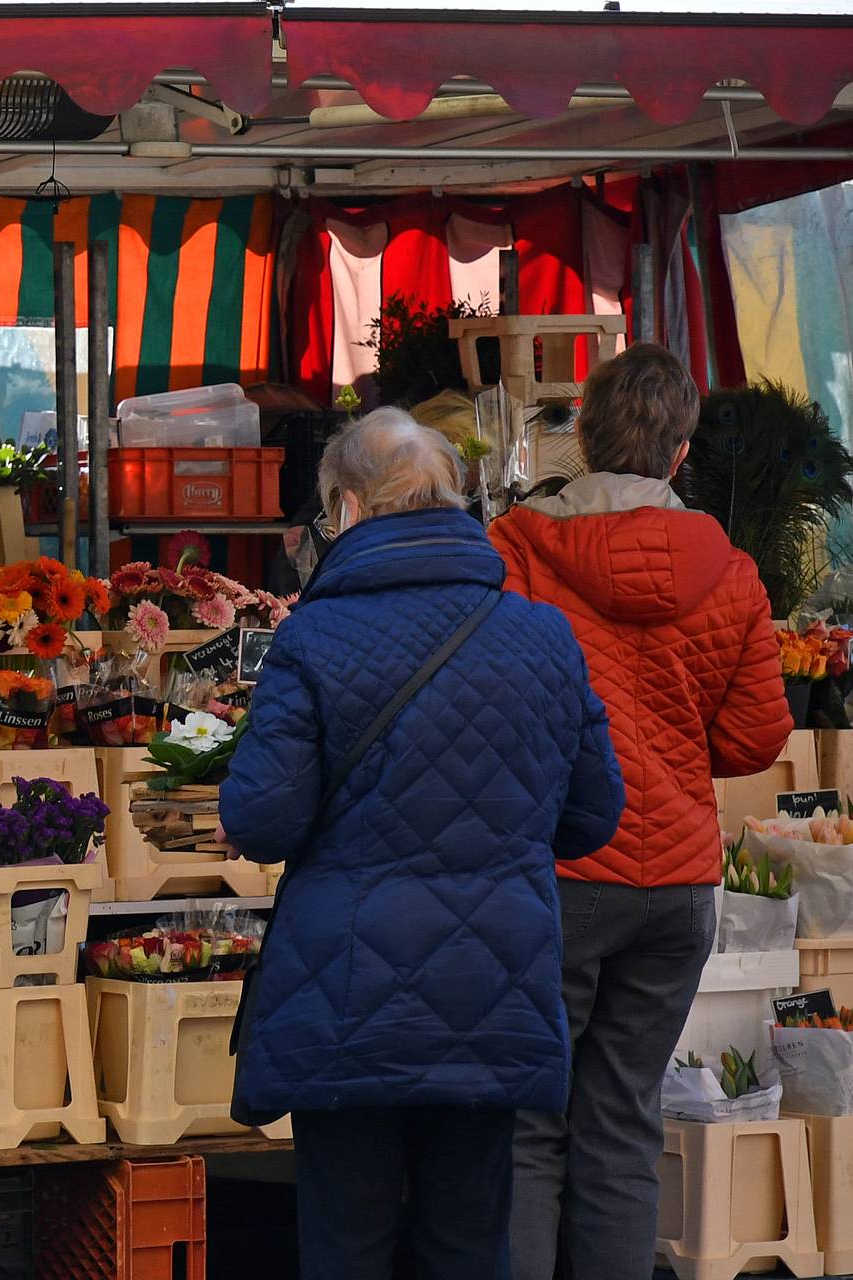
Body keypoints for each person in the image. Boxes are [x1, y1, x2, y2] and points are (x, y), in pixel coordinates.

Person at [222, 410, 625, 1280]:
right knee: (469, 1243)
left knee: (346, 1245)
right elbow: (596, 815)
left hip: (346, 992)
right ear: (455, 499)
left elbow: (261, 819)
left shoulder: (314, 638)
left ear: (351, 509)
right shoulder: (543, 637)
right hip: (494, 985)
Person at [489, 344, 791, 1280]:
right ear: (679, 453)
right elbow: (752, 742)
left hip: (559, 873)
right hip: (677, 893)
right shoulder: (732, 572)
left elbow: (488, 708)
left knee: (529, 1130)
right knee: (623, 1123)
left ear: (579, 438)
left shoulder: (515, 552)